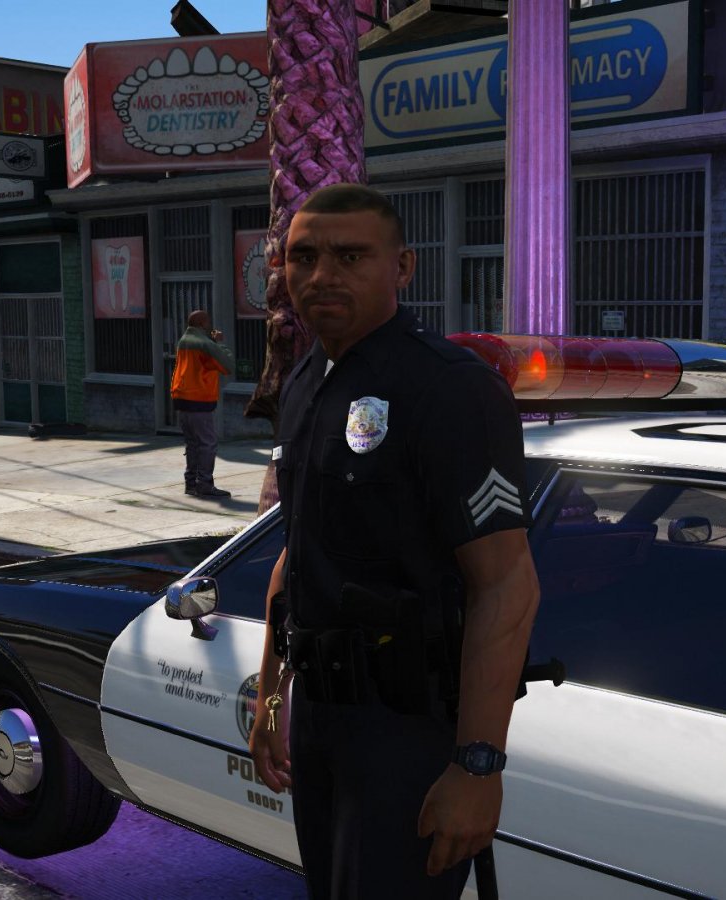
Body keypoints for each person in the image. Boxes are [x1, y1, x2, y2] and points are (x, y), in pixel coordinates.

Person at [246, 183, 541, 899]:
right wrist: (272, 696)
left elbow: (506, 584)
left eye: (350, 256)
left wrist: (477, 765)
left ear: (402, 267)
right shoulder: (306, 382)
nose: (322, 275)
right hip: (323, 719)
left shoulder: (449, 389)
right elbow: (298, 551)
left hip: (406, 729)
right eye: (304, 257)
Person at [170, 309, 235, 499]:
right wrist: (219, 343)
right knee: (208, 443)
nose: (209, 325)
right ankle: (205, 484)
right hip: (199, 399)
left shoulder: (184, 340)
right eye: (207, 322)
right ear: (202, 324)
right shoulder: (205, 344)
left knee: (192, 444)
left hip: (181, 398)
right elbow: (227, 365)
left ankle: (191, 483)